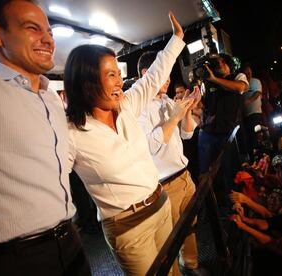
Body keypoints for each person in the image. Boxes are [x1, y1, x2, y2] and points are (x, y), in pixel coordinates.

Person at [0, 0, 91, 275]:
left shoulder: (51, 97)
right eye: (33, 28)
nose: (48, 40)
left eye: (50, 32)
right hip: (10, 260)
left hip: (70, 240)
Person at [64, 12, 185, 275]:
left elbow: (153, 78)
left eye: (118, 73)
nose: (119, 80)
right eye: (110, 75)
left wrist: (176, 39)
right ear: (86, 82)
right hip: (128, 229)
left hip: (161, 205)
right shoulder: (70, 132)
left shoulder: (127, 105)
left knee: (173, 271)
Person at [137, 53, 204, 275]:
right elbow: (149, 147)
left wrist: (187, 110)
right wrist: (174, 117)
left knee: (190, 226)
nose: (168, 79)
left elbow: (186, 134)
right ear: (147, 74)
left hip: (184, 175)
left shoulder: (166, 100)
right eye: (163, 73)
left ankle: (191, 265)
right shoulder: (139, 108)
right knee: (170, 239)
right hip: (165, 183)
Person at [198, 53, 248, 215]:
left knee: (229, 171)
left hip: (228, 132)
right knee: (205, 172)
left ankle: (234, 206)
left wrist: (214, 79)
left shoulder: (238, 76)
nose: (219, 64)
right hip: (208, 132)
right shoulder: (207, 80)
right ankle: (208, 208)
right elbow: (203, 105)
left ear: (228, 64)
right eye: (215, 63)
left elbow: (240, 88)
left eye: (222, 61)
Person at [242, 63, 263, 160]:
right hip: (245, 116)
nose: (248, 75)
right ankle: (251, 158)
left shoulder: (255, 81)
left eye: (249, 73)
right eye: (246, 73)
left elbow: (258, 92)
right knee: (248, 137)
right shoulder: (242, 83)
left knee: (256, 136)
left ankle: (259, 156)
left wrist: (249, 101)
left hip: (255, 113)